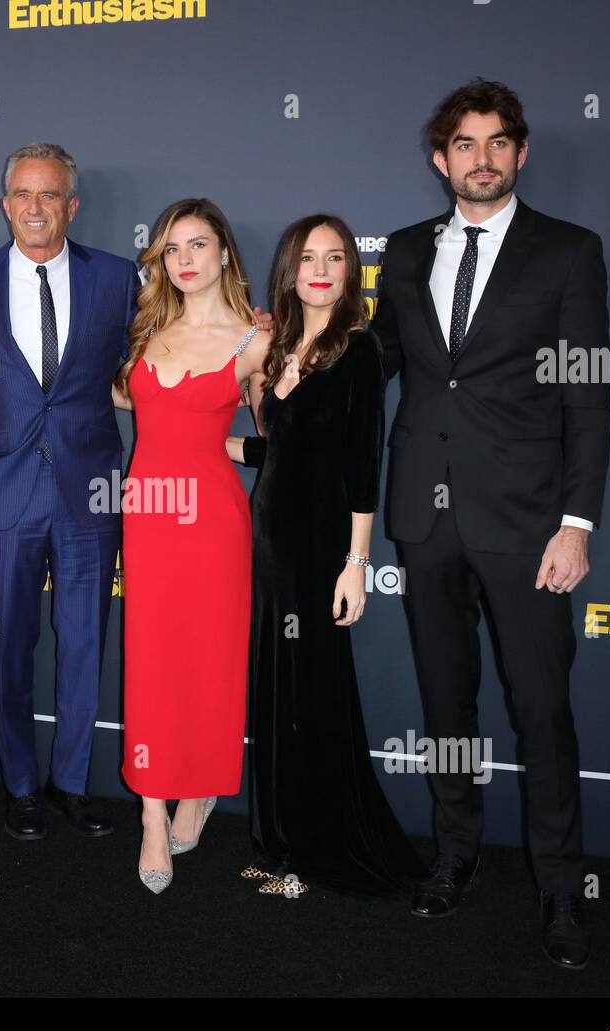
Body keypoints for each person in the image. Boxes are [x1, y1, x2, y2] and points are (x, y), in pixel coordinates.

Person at [371, 80, 610, 967]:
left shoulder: (569, 252)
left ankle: (560, 888)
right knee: (448, 706)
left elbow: (590, 398)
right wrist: (287, 354)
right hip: (424, 521)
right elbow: (376, 370)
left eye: (497, 142)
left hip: (529, 526)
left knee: (541, 710)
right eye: (464, 144)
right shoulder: (401, 252)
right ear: (441, 159)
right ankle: (456, 854)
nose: (482, 157)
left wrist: (577, 523)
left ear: (519, 152)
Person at [227, 214, 426, 898]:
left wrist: (356, 563)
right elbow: (280, 451)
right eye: (308, 257)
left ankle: (314, 850)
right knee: (277, 693)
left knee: (313, 697)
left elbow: (360, 464)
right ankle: (279, 843)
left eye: (334, 257)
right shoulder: (277, 347)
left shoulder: (359, 351)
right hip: (272, 545)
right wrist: (206, 446)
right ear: (290, 268)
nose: (319, 268)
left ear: (349, 273)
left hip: (319, 552)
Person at [0, 144, 139, 841]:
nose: (36, 207)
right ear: (6, 205)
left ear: (72, 205)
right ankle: (22, 786)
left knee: (85, 641)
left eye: (50, 195)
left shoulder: (120, 280)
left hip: (90, 493)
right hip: (1, 491)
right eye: (23, 195)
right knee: (9, 644)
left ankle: (73, 783)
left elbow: (167, 350)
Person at [117, 198, 269, 893]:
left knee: (208, 656)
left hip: (212, 521)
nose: (183, 259)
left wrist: (228, 443)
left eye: (197, 245)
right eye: (171, 248)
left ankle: (201, 787)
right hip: (148, 514)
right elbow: (128, 399)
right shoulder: (148, 329)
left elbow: (277, 440)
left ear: (225, 254)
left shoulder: (255, 340)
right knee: (151, 658)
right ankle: (152, 809)